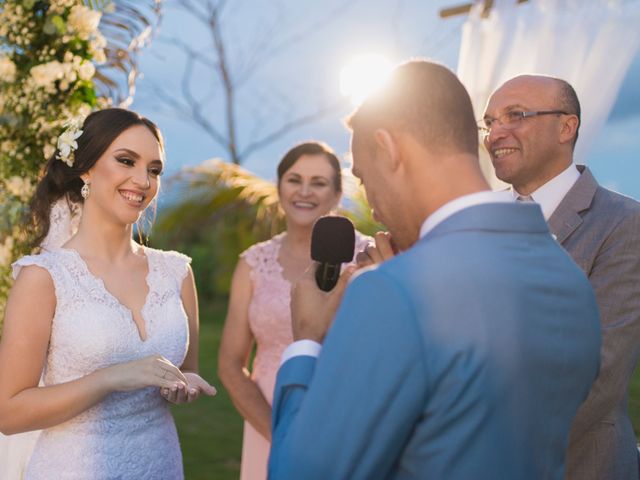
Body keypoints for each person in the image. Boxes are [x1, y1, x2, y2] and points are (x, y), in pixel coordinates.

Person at [267, 60, 602, 479]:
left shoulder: (393, 292)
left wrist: (308, 341)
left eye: (365, 178)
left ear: (389, 150)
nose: (373, 205)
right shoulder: (567, 276)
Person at [0, 108, 217, 479]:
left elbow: (186, 370)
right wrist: (111, 377)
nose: (143, 180)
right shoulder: (45, 277)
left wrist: (182, 386)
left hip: (160, 464)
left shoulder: (177, 272)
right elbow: (9, 413)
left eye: (154, 169)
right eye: (126, 161)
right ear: (85, 168)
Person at [482, 74, 640, 480]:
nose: (496, 133)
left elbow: (600, 373)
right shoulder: (476, 221)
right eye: (489, 122)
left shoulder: (625, 225)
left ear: (566, 127)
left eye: (514, 115)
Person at [217, 141, 370, 480]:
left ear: (336, 193)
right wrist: (280, 435)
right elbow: (230, 364)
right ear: (279, 187)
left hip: (345, 421)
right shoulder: (253, 263)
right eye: (294, 179)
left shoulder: (367, 258)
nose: (305, 191)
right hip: (267, 419)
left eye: (318, 182)